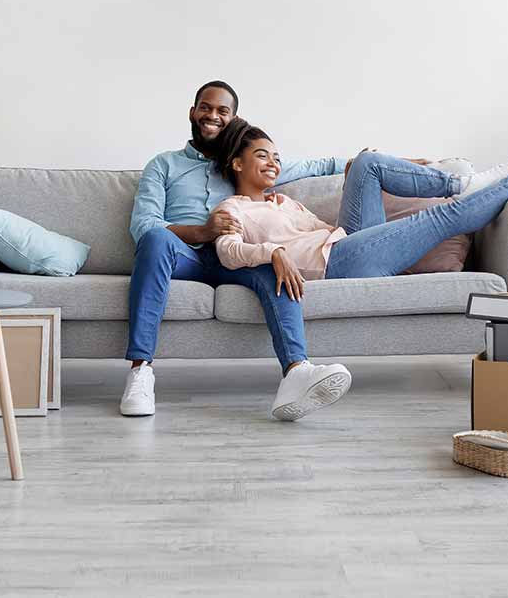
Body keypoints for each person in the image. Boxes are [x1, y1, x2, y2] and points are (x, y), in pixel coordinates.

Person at [210, 117, 508, 356]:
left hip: (347, 245)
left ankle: (461, 183)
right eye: (262, 156)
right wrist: (273, 252)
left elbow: (327, 228)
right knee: (441, 217)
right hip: (336, 265)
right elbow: (227, 251)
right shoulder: (231, 209)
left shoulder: (284, 201)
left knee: (367, 164)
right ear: (237, 164)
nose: (274, 163)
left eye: (276, 157)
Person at [123, 81, 351, 420]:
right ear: (193, 112)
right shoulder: (164, 164)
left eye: (222, 111)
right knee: (155, 238)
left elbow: (313, 166)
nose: (212, 116)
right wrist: (202, 231)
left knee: (275, 262)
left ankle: (296, 372)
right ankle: (140, 372)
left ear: (234, 118)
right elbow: (143, 225)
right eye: (205, 107)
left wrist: (364, 163)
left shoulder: (240, 161)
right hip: (182, 254)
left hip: (234, 253)